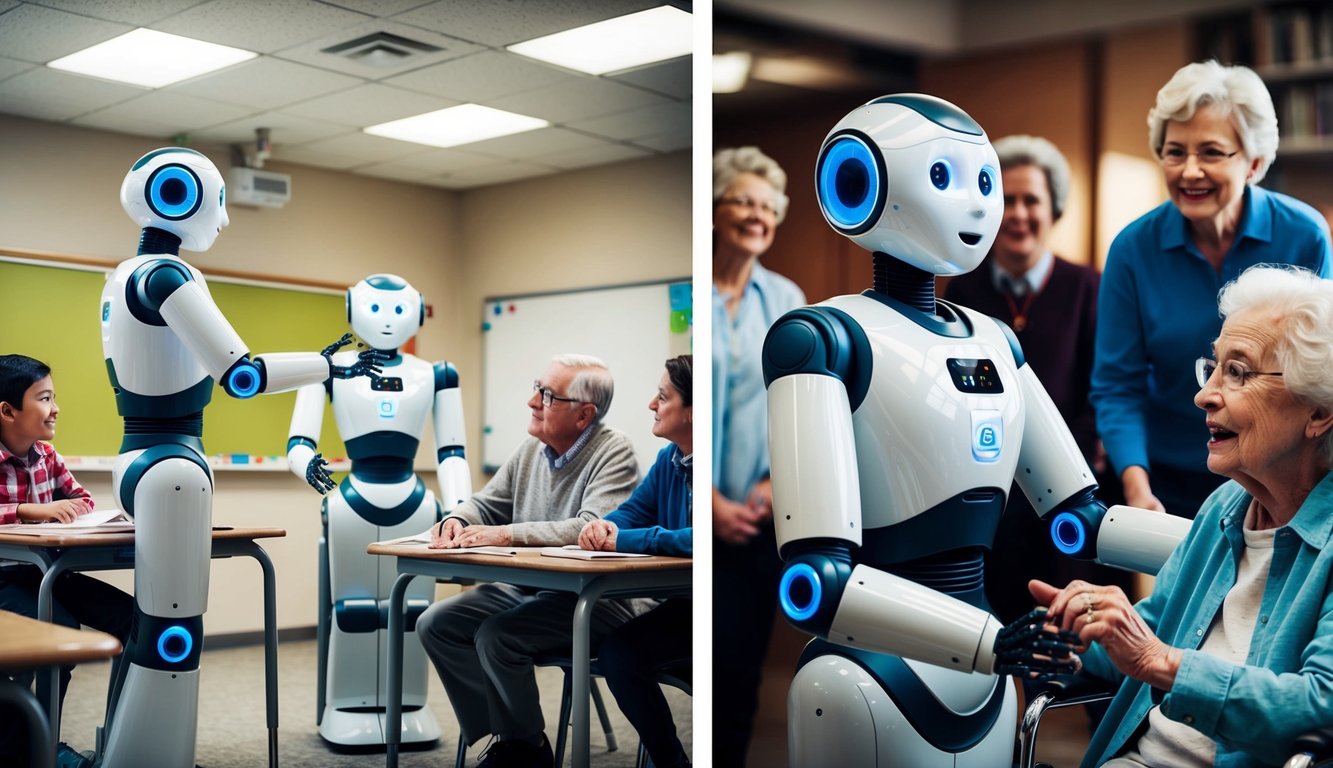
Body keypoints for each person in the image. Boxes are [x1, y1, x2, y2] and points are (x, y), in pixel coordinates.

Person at [1034, 265, 1333, 767]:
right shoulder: (1225, 507)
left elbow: (1319, 704)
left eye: (1237, 372)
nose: (1204, 394)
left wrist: (1160, 662)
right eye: (1213, 367)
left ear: (1319, 413)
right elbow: (1146, 636)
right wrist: (1081, 628)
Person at [1092, 60, 1333, 520]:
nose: (1190, 171)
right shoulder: (1132, 249)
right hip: (1169, 471)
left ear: (1254, 162)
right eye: (1175, 152)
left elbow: (1319, 374)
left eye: (1211, 152)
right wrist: (1136, 486)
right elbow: (1117, 385)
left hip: (1278, 470)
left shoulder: (1304, 234)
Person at [415, 354, 640, 768]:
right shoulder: (531, 449)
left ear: (584, 414)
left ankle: (524, 749)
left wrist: (505, 533)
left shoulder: (615, 452)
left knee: (497, 636)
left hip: (593, 600)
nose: (532, 401)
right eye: (537, 387)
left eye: (548, 395)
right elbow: (486, 503)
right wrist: (456, 520)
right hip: (529, 589)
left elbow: (590, 530)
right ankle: (514, 740)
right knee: (436, 624)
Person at [943, 134, 1125, 626]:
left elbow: (1103, 389)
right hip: (990, 499)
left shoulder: (1090, 287)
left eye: (1032, 201)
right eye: (1008, 201)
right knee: (994, 638)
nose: (1019, 214)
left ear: (1054, 209)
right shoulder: (962, 292)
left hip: (1074, 496)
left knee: (1085, 642)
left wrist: (1060, 475)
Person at [711, 146, 805, 766]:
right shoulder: (689, 289)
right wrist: (707, 503)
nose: (758, 215)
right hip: (691, 513)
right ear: (715, 209)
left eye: (769, 207)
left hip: (755, 522)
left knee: (740, 675)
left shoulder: (786, 297)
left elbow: (796, 406)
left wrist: (773, 481)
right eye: (745, 200)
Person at [0, 354, 133, 768]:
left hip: (50, 571)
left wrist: (69, 509)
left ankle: (122, 741)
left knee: (134, 618)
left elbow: (82, 500)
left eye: (54, 396)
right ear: (7, 411)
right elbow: (34, 511)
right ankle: (36, 750)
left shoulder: (47, 455)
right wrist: (26, 510)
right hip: (5, 576)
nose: (55, 408)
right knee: (60, 633)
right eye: (43, 398)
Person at [578, 355, 693, 768]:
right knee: (618, 655)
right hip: (682, 606)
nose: (651, 404)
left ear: (694, 412)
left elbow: (699, 541)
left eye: (663, 397)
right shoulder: (670, 459)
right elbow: (633, 513)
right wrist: (604, 528)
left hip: (719, 609)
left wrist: (625, 538)